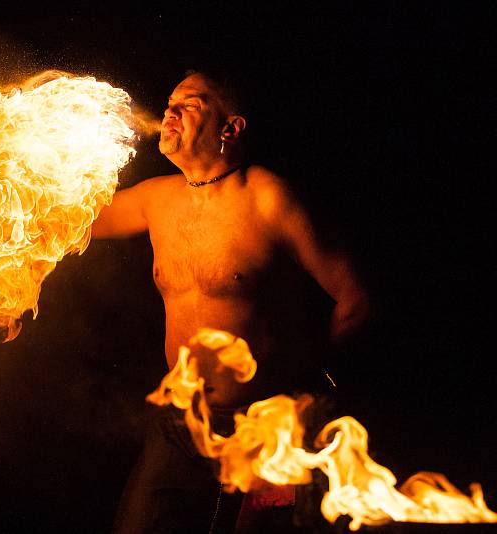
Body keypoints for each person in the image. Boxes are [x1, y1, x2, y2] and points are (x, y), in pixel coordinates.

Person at [91, 70, 370, 533]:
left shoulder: (268, 199)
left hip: (267, 425)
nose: (170, 112)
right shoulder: (155, 199)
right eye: (169, 103)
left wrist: (310, 395)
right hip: (182, 422)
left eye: (191, 104)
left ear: (230, 128)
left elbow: (356, 300)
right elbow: (74, 220)